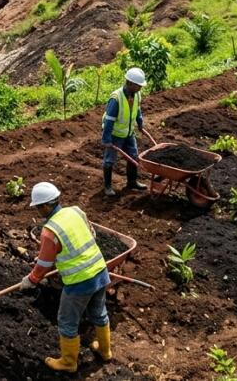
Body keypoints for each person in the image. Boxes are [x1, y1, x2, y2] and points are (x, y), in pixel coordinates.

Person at [21, 182, 111, 372]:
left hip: (79, 282)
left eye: (38, 207)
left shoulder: (50, 231)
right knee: (99, 312)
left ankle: (69, 363)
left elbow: (43, 266)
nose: (38, 211)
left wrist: (31, 280)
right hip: (100, 271)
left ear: (45, 206)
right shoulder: (76, 211)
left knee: (67, 321)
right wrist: (56, 255)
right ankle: (105, 351)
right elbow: (91, 235)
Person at [101, 68, 149, 196]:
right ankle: (107, 187)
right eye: (138, 85)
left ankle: (132, 182)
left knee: (133, 156)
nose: (140, 88)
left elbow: (137, 110)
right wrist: (106, 139)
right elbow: (109, 120)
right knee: (109, 160)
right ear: (130, 83)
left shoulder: (137, 94)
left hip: (129, 133)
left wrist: (140, 123)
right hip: (115, 134)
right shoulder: (116, 98)